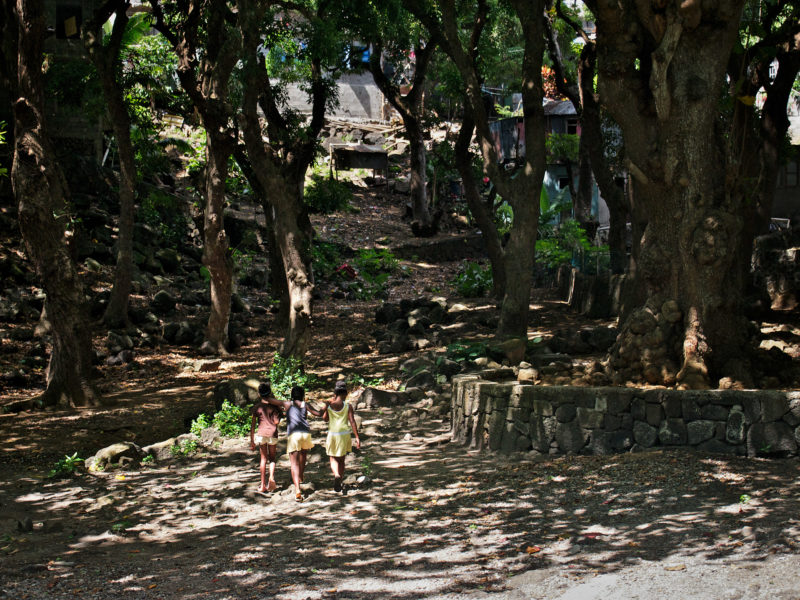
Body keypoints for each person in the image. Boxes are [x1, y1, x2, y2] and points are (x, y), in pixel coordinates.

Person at [264, 385, 324, 502]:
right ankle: (300, 477)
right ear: (302, 395)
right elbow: (318, 414)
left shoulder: (287, 404)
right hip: (305, 434)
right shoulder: (305, 405)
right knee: (303, 458)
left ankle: (297, 489)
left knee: (294, 464)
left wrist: (264, 394)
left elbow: (271, 400)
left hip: (294, 435)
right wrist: (325, 407)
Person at [323, 379, 361, 493]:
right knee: (341, 459)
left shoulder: (330, 405)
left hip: (333, 434)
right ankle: (340, 479)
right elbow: (352, 421)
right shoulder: (348, 406)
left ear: (335, 393)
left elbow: (325, 419)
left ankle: (336, 475)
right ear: (345, 393)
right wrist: (357, 437)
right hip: (344, 434)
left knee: (332, 457)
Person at [250, 382, 281, 493]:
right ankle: (271, 478)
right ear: (270, 392)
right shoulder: (274, 407)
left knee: (263, 459)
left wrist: (252, 440)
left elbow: (253, 425)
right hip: (272, 434)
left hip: (261, 434)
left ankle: (262, 485)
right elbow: (276, 421)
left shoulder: (257, 408)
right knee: (272, 458)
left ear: (259, 394)